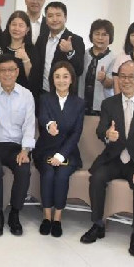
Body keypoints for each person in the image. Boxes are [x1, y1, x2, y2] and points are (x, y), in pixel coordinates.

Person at [81, 61, 134, 257]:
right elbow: (101, 130)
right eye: (122, 76)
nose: (126, 81)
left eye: (131, 77)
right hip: (114, 158)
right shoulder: (109, 103)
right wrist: (107, 135)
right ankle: (98, 224)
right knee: (97, 177)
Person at [0, 53, 36, 236]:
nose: (7, 74)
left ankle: (15, 214)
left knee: (24, 169)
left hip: (16, 145)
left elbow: (29, 125)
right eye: (2, 70)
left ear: (17, 72)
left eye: (11, 70)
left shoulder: (26, 95)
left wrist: (25, 150)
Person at [34, 61, 85, 238]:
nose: (61, 80)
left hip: (68, 152)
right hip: (46, 149)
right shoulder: (45, 99)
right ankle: (46, 217)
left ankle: (57, 219)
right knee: (48, 174)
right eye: (57, 77)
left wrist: (61, 155)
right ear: (52, 79)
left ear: (71, 79)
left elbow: (76, 133)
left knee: (62, 175)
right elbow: (43, 117)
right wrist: (49, 125)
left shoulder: (79, 103)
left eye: (65, 77)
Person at [36, 1, 85, 95]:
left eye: (58, 15)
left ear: (65, 17)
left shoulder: (75, 40)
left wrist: (70, 52)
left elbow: (79, 70)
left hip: (65, 95)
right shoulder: (41, 39)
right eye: (50, 16)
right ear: (46, 20)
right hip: (43, 93)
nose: (54, 19)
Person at [0, 11, 42, 97]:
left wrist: (25, 59)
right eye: (14, 24)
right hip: (2, 95)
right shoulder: (2, 48)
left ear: (27, 29)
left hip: (24, 97)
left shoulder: (32, 49)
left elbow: (34, 79)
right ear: (9, 26)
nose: (16, 28)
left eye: (21, 25)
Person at [79, 19, 116, 115]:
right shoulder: (84, 54)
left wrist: (104, 79)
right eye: (97, 34)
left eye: (104, 34)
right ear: (91, 35)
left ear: (110, 37)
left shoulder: (114, 58)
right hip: (80, 104)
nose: (100, 38)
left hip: (101, 107)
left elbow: (112, 84)